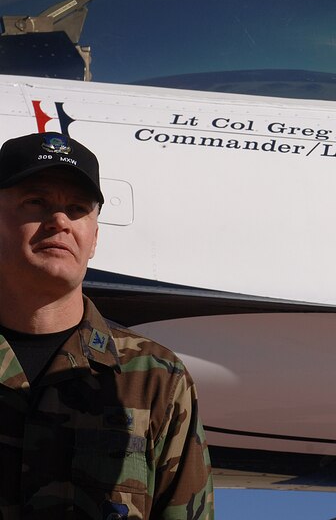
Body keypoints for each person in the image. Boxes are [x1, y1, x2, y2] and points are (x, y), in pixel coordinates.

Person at [0, 132, 213, 519]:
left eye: (78, 209)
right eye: (37, 202)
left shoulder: (154, 380)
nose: (59, 221)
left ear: (94, 237)